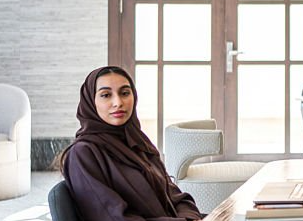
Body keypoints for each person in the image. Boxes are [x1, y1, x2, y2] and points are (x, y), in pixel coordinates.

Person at [59, 66, 202, 221]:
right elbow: (115, 218)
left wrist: (190, 217)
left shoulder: (137, 142)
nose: (118, 102)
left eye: (125, 93)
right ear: (90, 102)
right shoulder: (83, 154)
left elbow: (174, 195)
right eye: (106, 95)